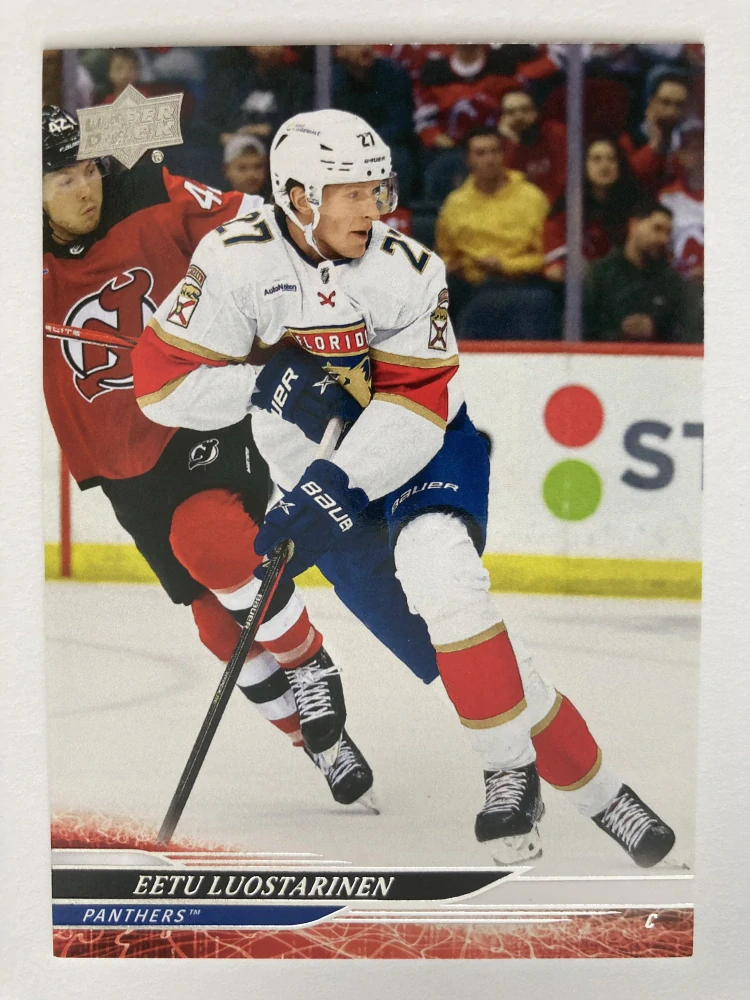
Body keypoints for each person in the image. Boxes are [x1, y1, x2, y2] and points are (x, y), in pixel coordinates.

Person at [133, 109, 676, 867]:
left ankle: (506, 774)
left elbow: (415, 405)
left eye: (378, 189)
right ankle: (604, 794)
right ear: (297, 195)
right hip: (316, 488)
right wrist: (261, 384)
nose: (375, 208)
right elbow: (159, 389)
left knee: (444, 580)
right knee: (462, 658)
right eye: (352, 193)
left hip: (422, 450)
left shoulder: (410, 270)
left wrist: (336, 482)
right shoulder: (233, 263)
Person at [41, 105, 373, 808]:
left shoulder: (147, 192)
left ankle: (311, 664)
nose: (85, 188)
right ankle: (319, 744)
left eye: (87, 169)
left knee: (212, 543)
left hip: (196, 409)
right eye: (63, 180)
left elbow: (251, 223)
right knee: (218, 626)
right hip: (118, 455)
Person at [434, 127, 558, 337]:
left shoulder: (532, 197)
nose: (489, 159)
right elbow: (446, 256)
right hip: (472, 283)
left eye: (495, 152)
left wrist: (505, 265)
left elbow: (547, 257)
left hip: (523, 282)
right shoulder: (455, 204)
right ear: (469, 160)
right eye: (481, 153)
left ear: (503, 155)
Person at [583, 198, 702, 342]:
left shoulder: (671, 281)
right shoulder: (600, 273)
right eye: (657, 229)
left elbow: (686, 333)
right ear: (633, 226)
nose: (663, 239)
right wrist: (618, 333)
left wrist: (655, 329)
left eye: (668, 233)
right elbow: (581, 328)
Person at [544, 136, 641, 282]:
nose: (605, 166)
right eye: (596, 159)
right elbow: (555, 264)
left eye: (612, 159)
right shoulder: (567, 207)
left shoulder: (635, 206)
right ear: (583, 165)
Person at [619, 74, 691, 194]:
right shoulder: (629, 140)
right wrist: (656, 144)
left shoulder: (690, 143)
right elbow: (629, 183)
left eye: (679, 105)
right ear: (651, 102)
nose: (671, 111)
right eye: (665, 102)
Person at [497, 88, 567, 205]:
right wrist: (513, 143)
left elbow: (564, 180)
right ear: (502, 119)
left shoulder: (555, 133)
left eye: (525, 110)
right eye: (511, 112)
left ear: (536, 112)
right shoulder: (498, 146)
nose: (519, 116)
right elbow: (505, 188)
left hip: (558, 206)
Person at [658, 120, 704, 287]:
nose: (698, 154)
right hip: (681, 286)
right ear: (679, 155)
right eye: (690, 148)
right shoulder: (667, 198)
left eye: (702, 146)